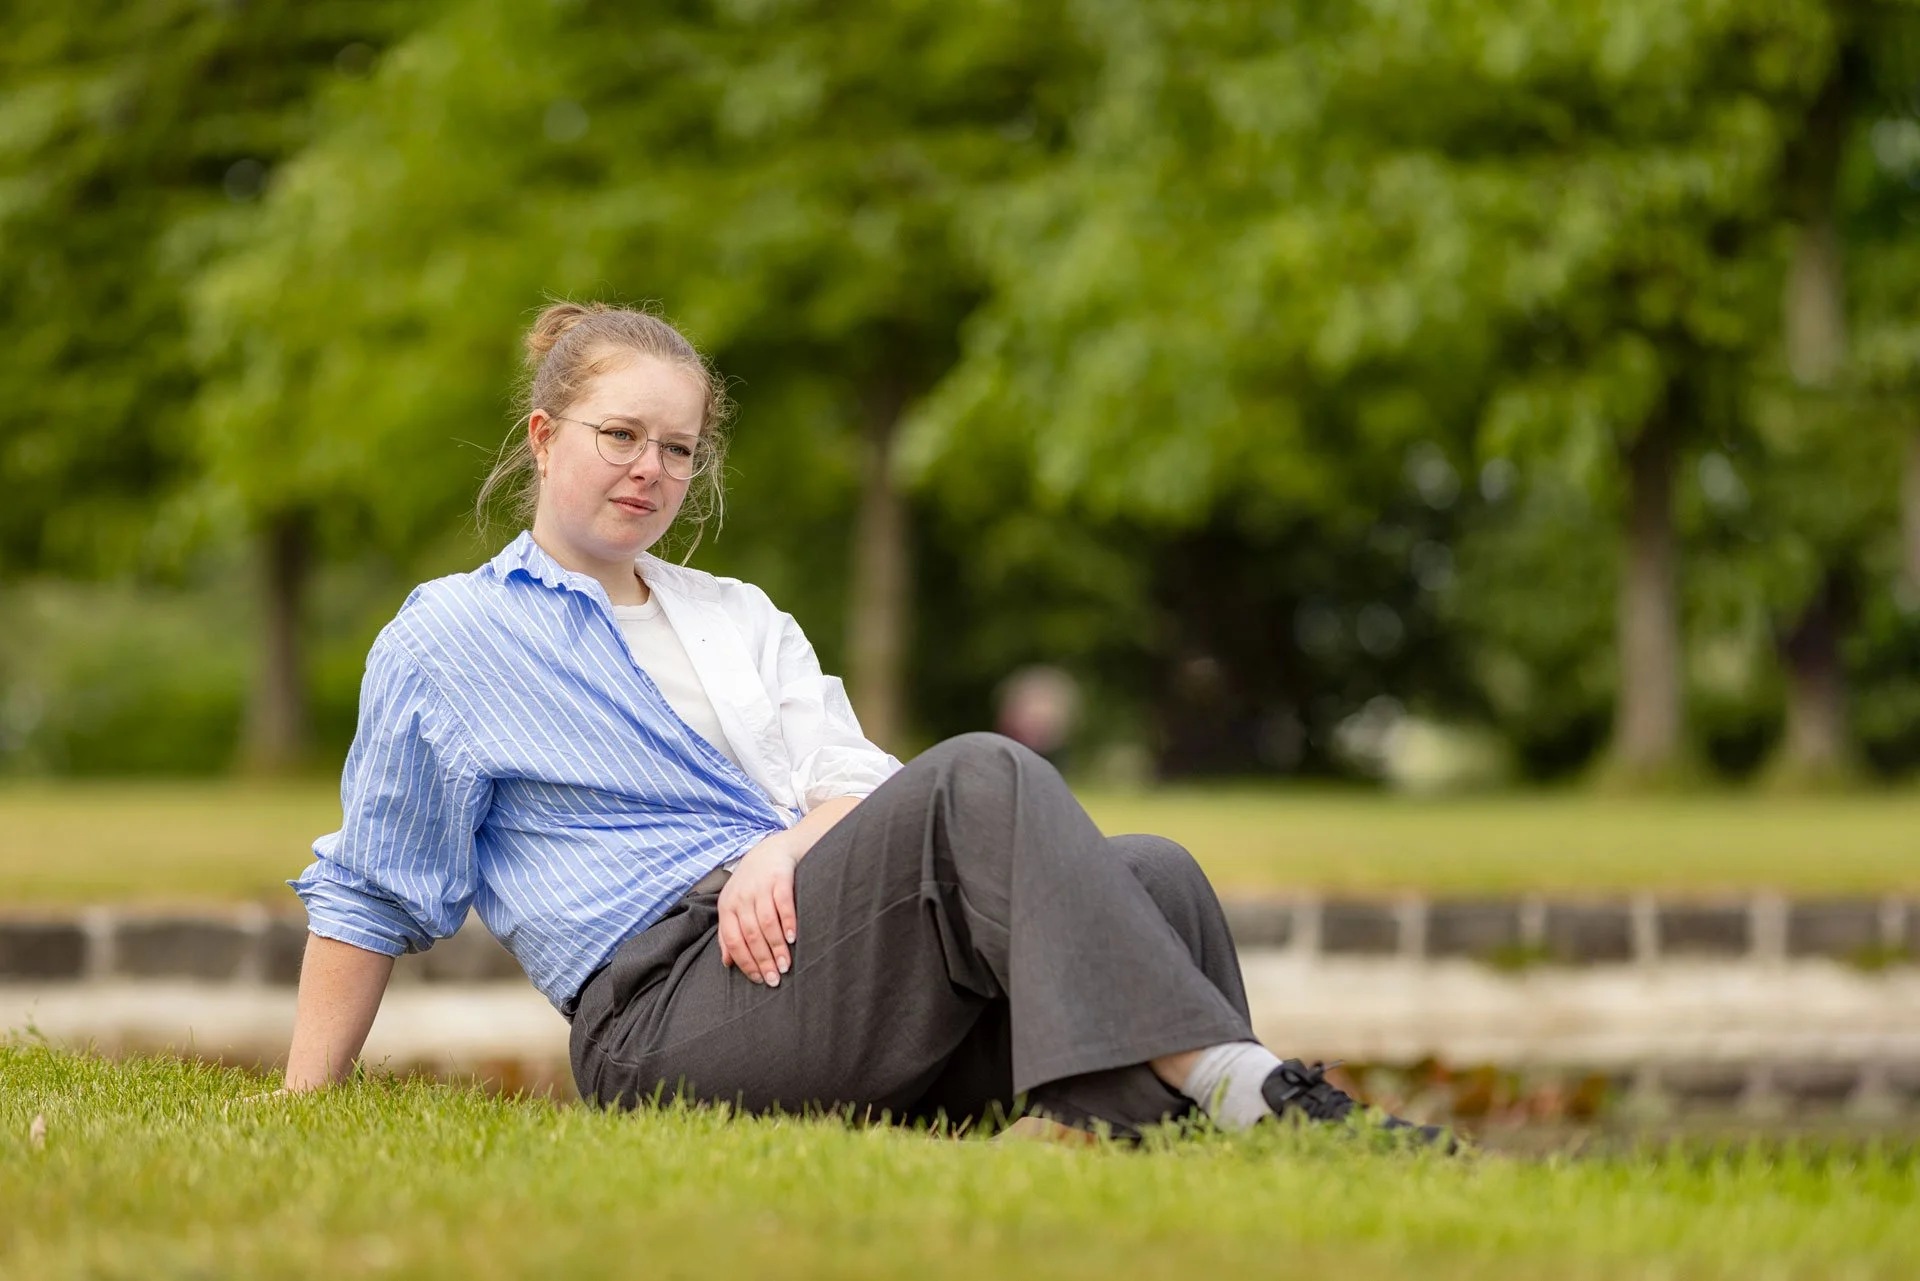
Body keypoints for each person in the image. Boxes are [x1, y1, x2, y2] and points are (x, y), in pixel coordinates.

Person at [281, 301, 1447, 1146]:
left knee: (1155, 873)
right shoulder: (449, 638)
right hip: (666, 1022)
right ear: (545, 439)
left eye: (678, 448)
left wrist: (785, 847)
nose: (650, 469)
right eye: (620, 436)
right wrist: (303, 1099)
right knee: (984, 772)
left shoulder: (738, 617)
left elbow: (854, 780)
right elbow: (376, 884)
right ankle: (1253, 1091)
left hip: (815, 959)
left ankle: (1101, 1142)